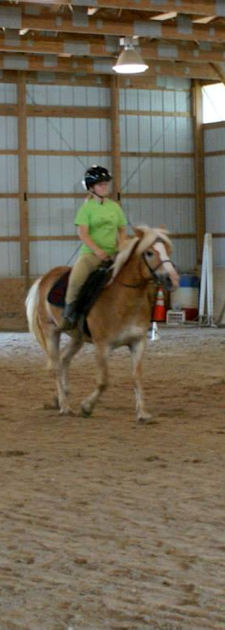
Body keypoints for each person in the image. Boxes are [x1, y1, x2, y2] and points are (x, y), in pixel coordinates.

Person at [62, 165, 127, 328]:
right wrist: (98, 251)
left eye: (106, 184)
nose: (105, 187)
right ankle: (69, 313)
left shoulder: (115, 207)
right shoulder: (86, 209)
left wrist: (122, 247)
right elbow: (83, 233)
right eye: (101, 184)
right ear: (92, 188)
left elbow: (122, 230)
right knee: (76, 281)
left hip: (113, 254)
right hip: (90, 255)